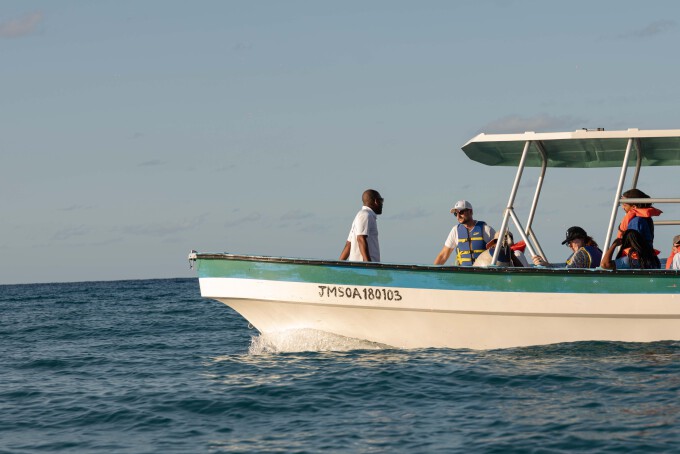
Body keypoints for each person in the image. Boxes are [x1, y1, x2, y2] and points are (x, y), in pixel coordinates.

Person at [434, 200, 495, 266]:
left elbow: (499, 251)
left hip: (482, 273)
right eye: (455, 214)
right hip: (463, 273)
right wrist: (432, 274)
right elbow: (443, 256)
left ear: (470, 212)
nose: (458, 216)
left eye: (461, 212)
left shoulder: (486, 230)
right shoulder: (455, 231)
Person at [339, 189, 383, 262]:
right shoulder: (365, 215)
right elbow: (361, 238)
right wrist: (369, 265)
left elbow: (349, 244)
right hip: (364, 268)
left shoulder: (362, 215)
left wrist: (338, 266)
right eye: (381, 201)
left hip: (360, 268)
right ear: (376, 201)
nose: (382, 204)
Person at [533, 226, 602, 268]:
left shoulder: (583, 252)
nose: (570, 246)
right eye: (568, 243)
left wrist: (545, 266)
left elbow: (567, 272)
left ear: (582, 239)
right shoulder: (596, 250)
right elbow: (566, 267)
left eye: (572, 241)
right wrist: (546, 265)